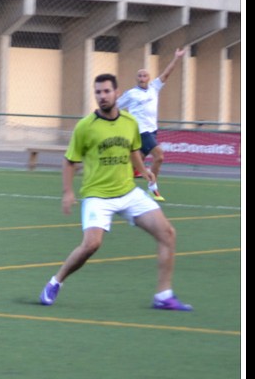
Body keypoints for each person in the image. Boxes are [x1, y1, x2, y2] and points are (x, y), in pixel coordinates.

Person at [37, 73, 191, 312]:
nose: (102, 96)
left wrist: (144, 171)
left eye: (107, 91)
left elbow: (133, 150)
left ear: (117, 93)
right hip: (97, 196)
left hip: (128, 193)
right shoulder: (85, 126)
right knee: (91, 245)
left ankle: (163, 295)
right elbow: (69, 161)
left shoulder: (129, 122)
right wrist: (67, 191)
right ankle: (56, 282)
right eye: (98, 92)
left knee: (168, 234)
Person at [116, 46, 186, 200]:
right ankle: (152, 188)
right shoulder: (131, 94)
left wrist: (177, 57)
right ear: (136, 79)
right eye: (139, 76)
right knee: (159, 156)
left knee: (135, 163)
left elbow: (166, 74)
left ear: (149, 78)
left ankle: (116, 185)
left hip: (152, 130)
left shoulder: (154, 87)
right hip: (141, 131)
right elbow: (115, 106)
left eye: (144, 75)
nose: (142, 78)